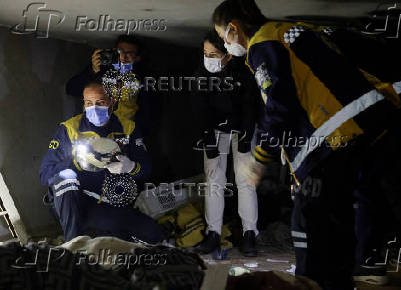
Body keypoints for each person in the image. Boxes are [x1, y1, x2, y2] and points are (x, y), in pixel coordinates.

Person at [212, 0, 401, 288]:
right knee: (345, 212)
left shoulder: (263, 45)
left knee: (310, 217)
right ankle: (345, 276)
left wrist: (260, 157)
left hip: (339, 134)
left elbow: (279, 105)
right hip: (371, 124)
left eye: (224, 36)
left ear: (233, 27)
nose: (226, 44)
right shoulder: (289, 31)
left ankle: (313, 283)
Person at [40, 80, 165, 243]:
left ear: (112, 101)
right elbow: (45, 174)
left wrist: (130, 167)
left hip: (104, 203)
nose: (94, 108)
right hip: (74, 200)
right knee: (65, 177)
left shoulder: (127, 128)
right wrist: (75, 163)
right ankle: (73, 245)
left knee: (152, 234)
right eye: (89, 103)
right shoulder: (70, 129)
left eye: (100, 102)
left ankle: (102, 234)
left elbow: (146, 169)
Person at [192, 30, 261, 257]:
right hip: (215, 129)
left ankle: (250, 233)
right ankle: (213, 233)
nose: (208, 58)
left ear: (228, 55)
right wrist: (207, 137)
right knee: (213, 181)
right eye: (205, 53)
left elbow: (251, 105)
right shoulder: (201, 74)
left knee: (245, 181)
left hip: (241, 127)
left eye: (213, 54)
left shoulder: (243, 72)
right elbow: (200, 107)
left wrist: (246, 134)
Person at [66, 35, 156, 136]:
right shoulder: (102, 70)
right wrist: (92, 71)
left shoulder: (144, 79)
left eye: (129, 54)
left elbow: (149, 114)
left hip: (124, 132)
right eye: (120, 52)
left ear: (138, 58)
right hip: (93, 130)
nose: (123, 57)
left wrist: (137, 137)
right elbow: (71, 89)